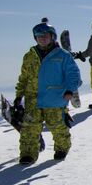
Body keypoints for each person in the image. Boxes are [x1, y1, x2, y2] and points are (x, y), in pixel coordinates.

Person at [16, 21, 81, 164]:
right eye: (39, 36)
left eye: (45, 35)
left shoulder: (63, 55)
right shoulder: (30, 56)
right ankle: (28, 154)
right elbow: (24, 77)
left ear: (52, 37)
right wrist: (19, 95)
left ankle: (62, 148)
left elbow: (73, 74)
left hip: (55, 98)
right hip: (33, 98)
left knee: (57, 126)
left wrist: (70, 89)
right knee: (29, 129)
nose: (42, 38)